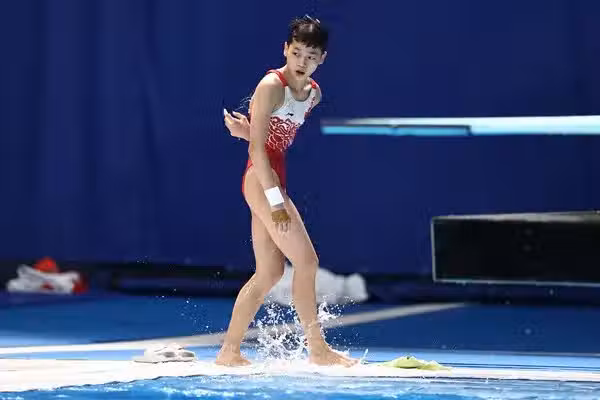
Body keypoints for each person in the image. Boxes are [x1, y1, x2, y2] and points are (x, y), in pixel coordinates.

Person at [216, 16, 357, 368]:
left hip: (274, 177)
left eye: (310, 56)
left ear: (322, 58)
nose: (302, 62)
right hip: (261, 180)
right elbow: (258, 152)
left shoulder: (313, 95)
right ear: (285, 49)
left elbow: (269, 140)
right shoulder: (270, 86)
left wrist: (247, 132)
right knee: (307, 262)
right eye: (296, 53)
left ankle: (229, 352)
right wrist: (276, 201)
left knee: (269, 273)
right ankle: (318, 350)